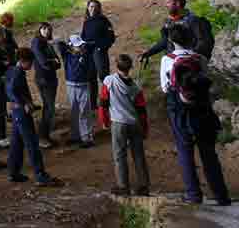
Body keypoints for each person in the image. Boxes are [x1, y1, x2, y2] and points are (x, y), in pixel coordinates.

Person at [160, 25, 231, 206]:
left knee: (185, 151)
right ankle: (221, 195)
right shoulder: (200, 58)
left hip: (179, 109)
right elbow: (206, 81)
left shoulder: (167, 60)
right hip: (203, 109)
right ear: (191, 38)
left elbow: (165, 87)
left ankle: (194, 195)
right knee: (208, 153)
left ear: (171, 41)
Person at [5, 48, 61, 186]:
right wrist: (23, 103)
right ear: (24, 61)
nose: (31, 66)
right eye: (30, 62)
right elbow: (12, 90)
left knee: (17, 143)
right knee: (32, 144)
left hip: (17, 111)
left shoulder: (12, 70)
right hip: (22, 112)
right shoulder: (17, 73)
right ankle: (40, 175)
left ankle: (13, 172)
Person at [98, 54, 150, 197]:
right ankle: (144, 186)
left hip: (118, 123)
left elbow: (103, 103)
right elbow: (142, 110)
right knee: (139, 155)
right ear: (130, 67)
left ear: (116, 66)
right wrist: (145, 128)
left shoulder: (109, 81)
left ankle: (123, 186)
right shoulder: (135, 87)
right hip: (134, 123)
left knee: (119, 155)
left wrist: (104, 121)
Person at [140, 0, 215, 65]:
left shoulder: (194, 21)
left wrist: (188, 58)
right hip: (174, 64)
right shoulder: (169, 22)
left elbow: (205, 43)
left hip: (192, 66)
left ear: (178, 3)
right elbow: (165, 41)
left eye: (168, 3)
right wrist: (149, 53)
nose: (166, 5)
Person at [56, 34, 95, 147]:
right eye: (78, 46)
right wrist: (69, 46)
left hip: (84, 85)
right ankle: (75, 136)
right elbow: (59, 44)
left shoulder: (86, 53)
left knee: (85, 111)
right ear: (71, 46)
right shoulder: (67, 55)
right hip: (71, 85)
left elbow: (92, 44)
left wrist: (83, 45)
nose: (81, 47)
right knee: (74, 111)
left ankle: (87, 137)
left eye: (81, 45)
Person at [31, 22, 61, 148]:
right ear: (39, 30)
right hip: (44, 79)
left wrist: (53, 62)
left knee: (49, 108)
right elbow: (44, 62)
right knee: (49, 108)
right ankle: (42, 137)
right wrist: (53, 62)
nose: (47, 31)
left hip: (49, 78)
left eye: (48, 29)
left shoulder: (45, 43)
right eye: (44, 29)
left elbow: (58, 62)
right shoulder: (37, 42)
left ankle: (45, 136)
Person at [82, 0, 116, 109]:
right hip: (88, 52)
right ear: (87, 8)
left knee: (103, 76)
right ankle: (93, 104)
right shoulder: (86, 22)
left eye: (95, 7)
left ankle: (109, 101)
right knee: (91, 78)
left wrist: (101, 47)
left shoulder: (104, 21)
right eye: (91, 6)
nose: (93, 9)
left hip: (99, 51)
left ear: (99, 9)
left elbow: (111, 37)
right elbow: (83, 37)